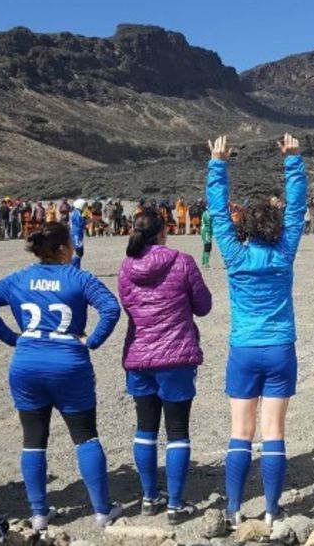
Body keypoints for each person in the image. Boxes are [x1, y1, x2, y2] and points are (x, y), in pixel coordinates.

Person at [0, 222, 123, 530]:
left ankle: (39, 513)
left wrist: (13, 337)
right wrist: (92, 341)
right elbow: (111, 308)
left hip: (27, 365)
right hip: (68, 364)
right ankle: (101, 510)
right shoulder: (78, 277)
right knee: (85, 435)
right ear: (63, 249)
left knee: (33, 440)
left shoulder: (20, 278)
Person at [206, 133, 306, 527]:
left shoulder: (235, 255)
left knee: (241, 432)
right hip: (281, 347)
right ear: (277, 227)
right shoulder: (285, 252)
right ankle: (270, 509)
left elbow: (216, 212)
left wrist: (219, 164)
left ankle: (233, 509)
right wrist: (293, 161)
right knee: (274, 431)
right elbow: (296, 209)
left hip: (244, 348)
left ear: (245, 225)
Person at [118, 209, 212, 524]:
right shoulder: (182, 261)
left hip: (140, 355)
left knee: (145, 428)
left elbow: (128, 306)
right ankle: (175, 504)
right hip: (176, 357)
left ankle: (148, 497)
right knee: (177, 431)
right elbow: (204, 306)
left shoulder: (126, 266)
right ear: (163, 232)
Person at [70, 199, 86, 269]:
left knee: (79, 253)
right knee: (79, 252)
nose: (85, 207)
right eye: (84, 206)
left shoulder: (75, 212)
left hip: (76, 233)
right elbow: (80, 223)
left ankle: (76, 268)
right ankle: (72, 267)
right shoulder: (77, 213)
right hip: (76, 234)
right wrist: (86, 221)